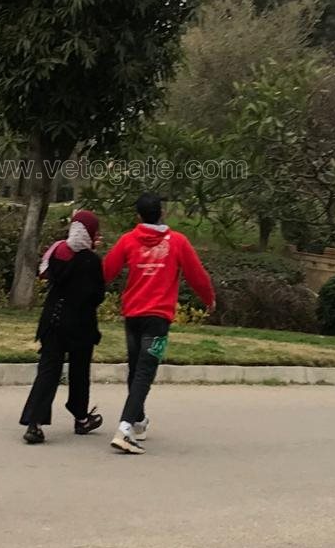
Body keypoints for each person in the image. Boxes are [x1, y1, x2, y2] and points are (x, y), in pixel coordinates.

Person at [102, 193, 215, 454]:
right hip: (159, 319)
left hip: (133, 316)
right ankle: (125, 429)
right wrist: (209, 299)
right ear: (162, 213)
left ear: (138, 216)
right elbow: (197, 275)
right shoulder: (178, 242)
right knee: (145, 372)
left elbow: (106, 271)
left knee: (135, 370)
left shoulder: (128, 240)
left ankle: (138, 420)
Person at [19, 210, 105, 444]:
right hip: (81, 324)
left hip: (53, 320)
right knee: (79, 372)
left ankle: (34, 423)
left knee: (48, 371)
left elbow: (47, 274)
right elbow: (98, 295)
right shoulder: (91, 261)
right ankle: (81, 417)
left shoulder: (58, 251)